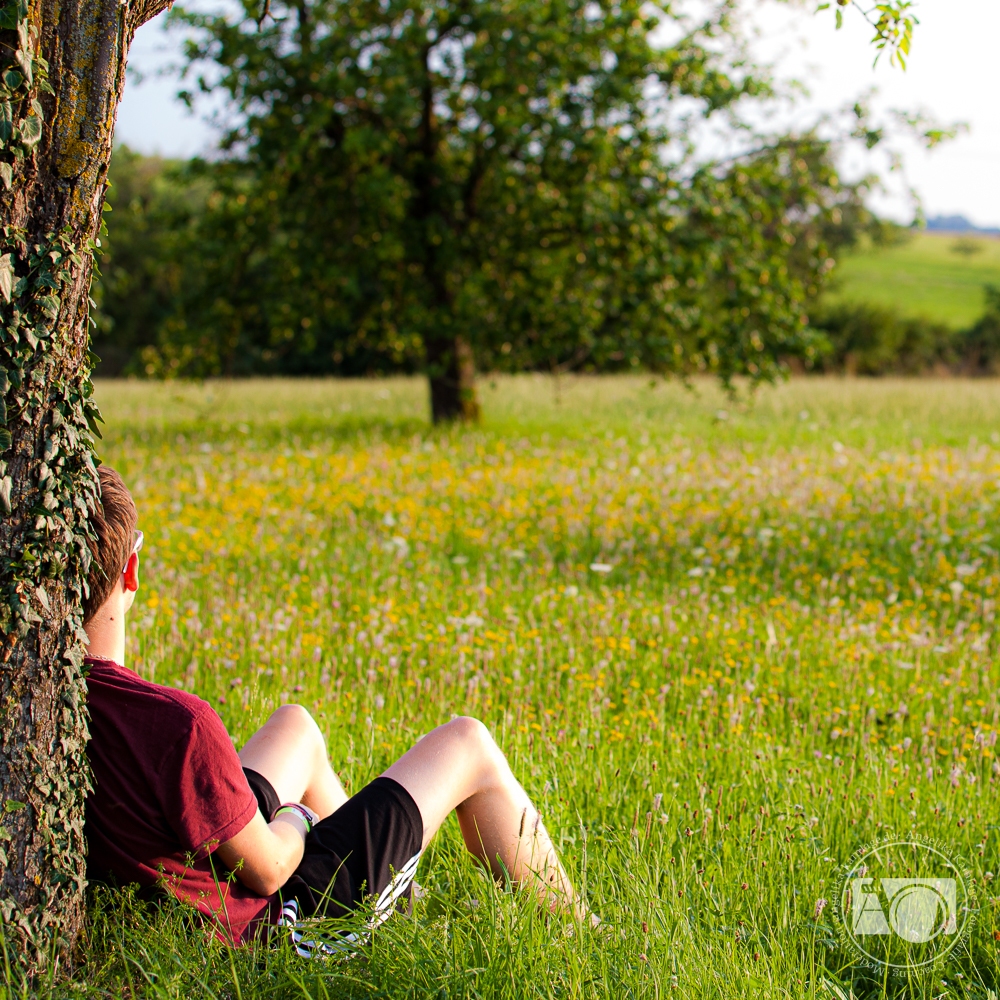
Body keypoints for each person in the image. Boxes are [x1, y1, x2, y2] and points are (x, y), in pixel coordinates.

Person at [83, 466, 581, 949]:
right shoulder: (179, 725)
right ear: (131, 569)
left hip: (197, 869)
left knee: (294, 727)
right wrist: (296, 816)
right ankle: (581, 929)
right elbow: (271, 869)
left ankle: (392, 890)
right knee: (468, 744)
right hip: (273, 924)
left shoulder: (52, 706)